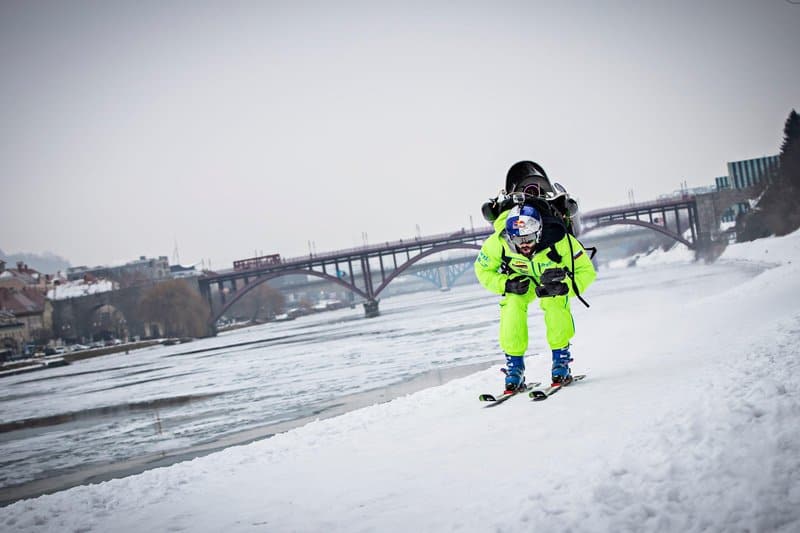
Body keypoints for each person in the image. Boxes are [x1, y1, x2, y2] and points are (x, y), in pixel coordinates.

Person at [474, 161, 596, 393]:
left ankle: (561, 362)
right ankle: (515, 368)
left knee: (554, 302)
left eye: (529, 239)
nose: (525, 246)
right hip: (521, 280)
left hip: (551, 280)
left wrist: (565, 287)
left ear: (540, 232)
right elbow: (482, 270)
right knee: (511, 305)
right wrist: (505, 283)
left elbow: (586, 271)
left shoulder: (561, 241)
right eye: (518, 241)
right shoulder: (498, 243)